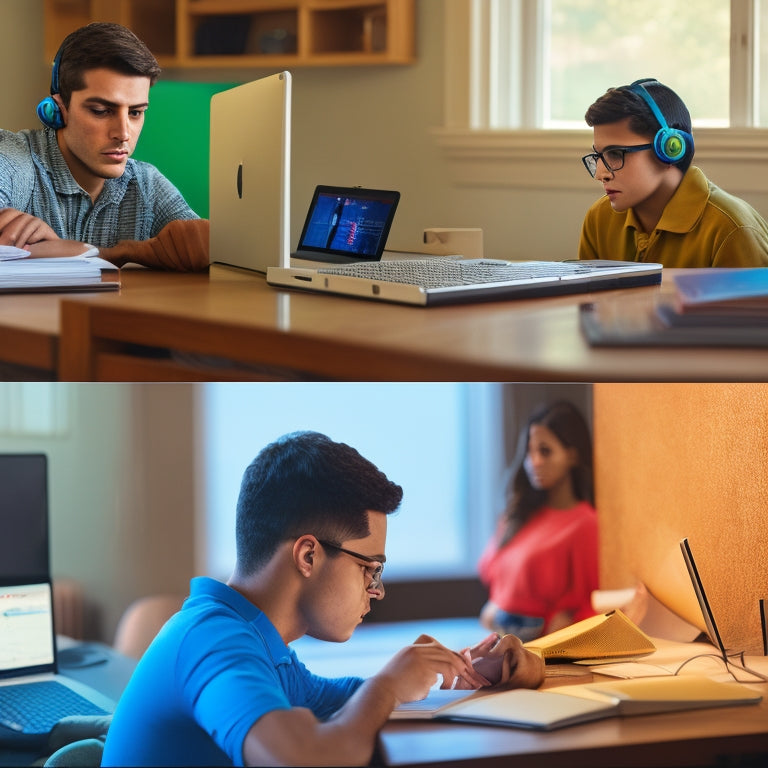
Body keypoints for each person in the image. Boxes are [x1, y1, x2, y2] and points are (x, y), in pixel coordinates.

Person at [101, 431, 544, 767]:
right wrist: (386, 686)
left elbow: (351, 703)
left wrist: (474, 674)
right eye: (369, 568)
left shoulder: (257, 644)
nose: (376, 591)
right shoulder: (214, 641)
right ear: (308, 554)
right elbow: (304, 758)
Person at [0, 22, 208, 271]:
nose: (123, 134)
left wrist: (123, 252)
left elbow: (206, 251)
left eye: (135, 112)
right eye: (101, 111)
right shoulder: (13, 159)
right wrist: (127, 254)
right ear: (58, 109)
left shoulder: (146, 184)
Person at [578, 78, 768, 268]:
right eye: (598, 156)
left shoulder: (732, 231)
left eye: (615, 154)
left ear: (670, 149)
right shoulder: (599, 219)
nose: (600, 174)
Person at [478, 401, 598, 641]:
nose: (534, 461)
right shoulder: (519, 514)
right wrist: (496, 604)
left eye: (545, 451)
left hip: (542, 644)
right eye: (529, 452)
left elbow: (588, 601)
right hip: (496, 635)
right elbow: (489, 569)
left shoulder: (585, 523)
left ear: (572, 455)